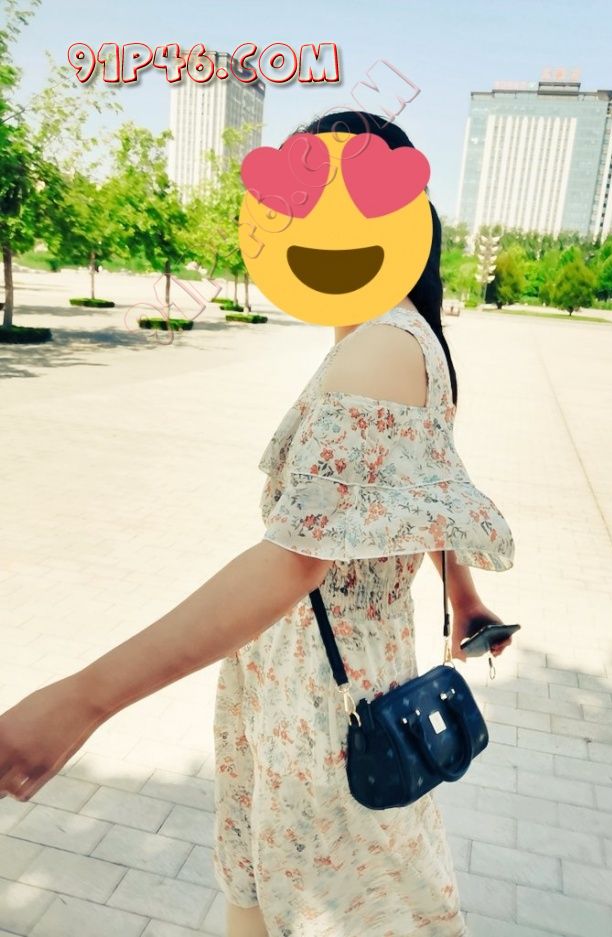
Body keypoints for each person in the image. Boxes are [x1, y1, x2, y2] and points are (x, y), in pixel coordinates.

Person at [0, 111, 515, 937]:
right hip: (317, 673)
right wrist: (463, 593)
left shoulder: (381, 348)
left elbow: (293, 563)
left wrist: (83, 699)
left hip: (324, 690)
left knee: (328, 904)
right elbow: (418, 489)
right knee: (265, 882)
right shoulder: (399, 337)